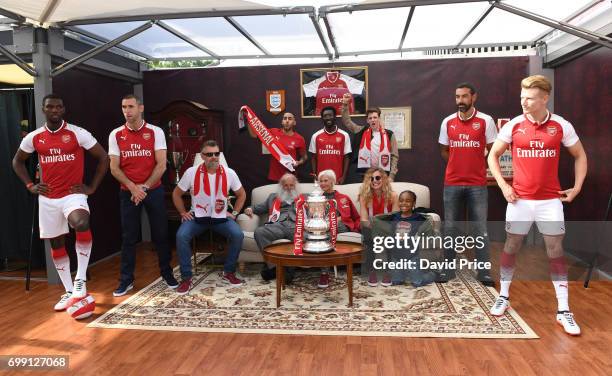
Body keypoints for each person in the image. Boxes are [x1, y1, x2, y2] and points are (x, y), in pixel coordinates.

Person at [487, 75, 587, 336]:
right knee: (511, 245)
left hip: (550, 201)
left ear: (545, 98)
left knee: (555, 249)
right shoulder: (514, 126)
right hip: (519, 200)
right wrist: (504, 186)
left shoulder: (561, 126)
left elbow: (580, 155)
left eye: (529, 98)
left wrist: (576, 187)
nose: (524, 102)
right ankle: (504, 296)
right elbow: (492, 155)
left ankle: (564, 310)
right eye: (522, 97)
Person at [12, 94, 108, 310]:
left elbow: (104, 158)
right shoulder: (35, 137)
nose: (54, 110)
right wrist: (30, 185)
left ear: (63, 109)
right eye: (50, 107)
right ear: (43, 109)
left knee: (81, 222)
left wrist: (91, 187)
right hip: (48, 198)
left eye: (58, 107)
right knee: (56, 243)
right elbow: (17, 161)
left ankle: (80, 279)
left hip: (73, 194)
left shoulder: (77, 133)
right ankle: (68, 292)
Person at [108, 94, 177, 297]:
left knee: (161, 234)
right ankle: (126, 280)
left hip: (153, 190)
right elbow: (114, 167)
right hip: (128, 193)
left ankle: (167, 274)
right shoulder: (116, 134)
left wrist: (144, 187)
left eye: (130, 106)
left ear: (140, 108)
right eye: (123, 107)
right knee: (129, 237)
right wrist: (132, 187)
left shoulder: (155, 132)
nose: (127, 111)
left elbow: (162, 164)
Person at [438, 82, 497, 286]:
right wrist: (457, 163)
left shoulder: (485, 121)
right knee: (450, 228)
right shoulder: (447, 122)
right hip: (452, 183)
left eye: (464, 96)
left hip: (477, 184)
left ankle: (484, 272)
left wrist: (476, 162)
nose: (460, 101)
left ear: (474, 97)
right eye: (457, 97)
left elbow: (494, 149)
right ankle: (448, 270)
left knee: (480, 229)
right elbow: (444, 150)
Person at [172, 140, 247, 294]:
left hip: (220, 218)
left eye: (216, 154)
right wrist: (182, 213)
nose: (214, 157)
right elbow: (176, 194)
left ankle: (229, 272)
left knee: (238, 235)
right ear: (202, 156)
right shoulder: (191, 172)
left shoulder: (229, 172)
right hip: (197, 217)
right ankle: (186, 278)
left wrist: (233, 213)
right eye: (209, 154)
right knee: (181, 236)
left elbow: (241, 194)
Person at [372, 190, 437, 288]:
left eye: (407, 201)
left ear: (413, 203)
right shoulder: (394, 217)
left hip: (412, 257)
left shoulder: (418, 218)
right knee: (396, 281)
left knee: (417, 283)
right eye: (401, 200)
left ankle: (433, 274)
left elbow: (428, 226)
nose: (404, 203)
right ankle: (403, 274)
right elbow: (377, 221)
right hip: (396, 257)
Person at [246, 173, 302, 282]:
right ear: (281, 186)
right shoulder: (272, 197)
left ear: (295, 186)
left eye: (291, 185)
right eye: (286, 185)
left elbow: (312, 213)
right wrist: (249, 209)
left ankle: (288, 268)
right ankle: (275, 267)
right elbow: (257, 208)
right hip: (278, 226)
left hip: (297, 226)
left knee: (308, 238)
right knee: (260, 232)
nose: (289, 188)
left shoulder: (304, 198)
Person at [316, 169, 361, 288]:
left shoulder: (343, 197)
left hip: (341, 226)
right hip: (324, 227)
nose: (323, 183)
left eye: (325, 180)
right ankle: (323, 271)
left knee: (330, 230)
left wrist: (356, 228)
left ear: (332, 182)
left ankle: (324, 273)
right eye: (320, 181)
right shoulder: (317, 199)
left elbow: (355, 216)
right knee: (322, 235)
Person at [341, 93, 399, 183]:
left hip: (383, 174)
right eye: (370, 118)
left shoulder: (389, 134)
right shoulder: (360, 130)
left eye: (375, 117)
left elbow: (394, 157)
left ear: (379, 118)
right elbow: (346, 121)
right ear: (367, 120)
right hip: (365, 175)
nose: (373, 120)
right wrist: (345, 104)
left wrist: (391, 176)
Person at [358, 168, 399, 286]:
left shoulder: (393, 196)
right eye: (371, 178)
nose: (374, 181)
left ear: (384, 179)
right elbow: (364, 219)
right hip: (370, 227)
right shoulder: (364, 196)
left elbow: (394, 218)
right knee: (368, 235)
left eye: (377, 178)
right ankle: (372, 271)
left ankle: (388, 271)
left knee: (391, 237)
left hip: (387, 227)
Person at [247, 112, 307, 182]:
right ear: (282, 122)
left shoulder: (299, 138)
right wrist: (249, 120)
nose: (287, 121)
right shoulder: (273, 132)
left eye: (290, 119)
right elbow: (254, 135)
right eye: (285, 118)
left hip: (290, 177)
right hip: (274, 176)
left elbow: (304, 157)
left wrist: (299, 162)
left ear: (294, 123)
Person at [309, 106, 352, 184]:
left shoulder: (344, 135)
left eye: (330, 115)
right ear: (322, 118)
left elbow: (347, 157)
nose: (328, 118)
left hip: (337, 179)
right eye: (325, 116)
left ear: (335, 117)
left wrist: (343, 177)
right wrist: (315, 175)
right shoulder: (316, 136)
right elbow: (313, 158)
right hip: (321, 179)